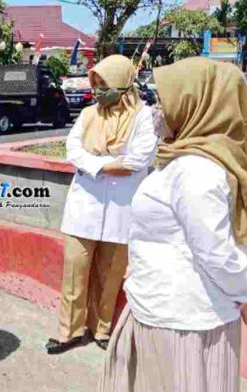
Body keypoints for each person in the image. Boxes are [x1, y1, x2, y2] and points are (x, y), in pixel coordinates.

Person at [99, 57, 247, 392]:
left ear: (195, 106)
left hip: (185, 323)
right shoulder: (181, 160)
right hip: (162, 310)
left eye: (163, 102)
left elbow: (215, 251)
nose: (155, 110)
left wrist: (246, 294)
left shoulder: (196, 171)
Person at [45, 55, 158, 354]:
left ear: (121, 83)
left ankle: (102, 328)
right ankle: (68, 332)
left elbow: (140, 159)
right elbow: (73, 150)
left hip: (123, 208)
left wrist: (94, 164)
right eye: (95, 84)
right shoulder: (88, 114)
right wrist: (109, 165)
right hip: (84, 207)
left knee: (110, 274)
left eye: (104, 84)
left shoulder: (143, 117)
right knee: (75, 270)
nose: (97, 90)